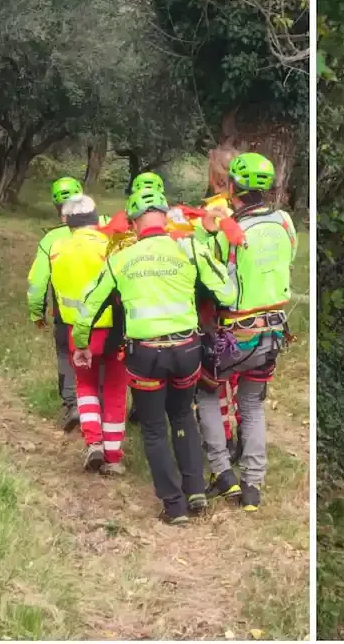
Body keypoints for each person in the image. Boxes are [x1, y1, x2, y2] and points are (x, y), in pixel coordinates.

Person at [73, 184, 237, 525]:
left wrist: (83, 343)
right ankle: (195, 491)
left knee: (153, 429)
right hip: (187, 351)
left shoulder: (119, 259)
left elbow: (88, 306)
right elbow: (227, 290)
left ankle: (174, 506)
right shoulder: (190, 247)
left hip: (146, 354)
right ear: (164, 218)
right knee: (181, 415)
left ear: (133, 224)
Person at [193, 152, 297, 512]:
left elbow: (208, 269)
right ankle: (253, 483)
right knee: (251, 404)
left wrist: (204, 231)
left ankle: (223, 473)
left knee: (206, 391)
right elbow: (289, 258)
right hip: (273, 332)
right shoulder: (285, 222)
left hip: (236, 334)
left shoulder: (231, 230)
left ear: (232, 186)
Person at [48, 194, 132, 475]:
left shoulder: (57, 249)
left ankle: (93, 441)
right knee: (115, 388)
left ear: (66, 221)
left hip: (77, 331)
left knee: (84, 386)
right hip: (113, 328)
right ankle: (113, 454)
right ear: (96, 218)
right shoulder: (111, 245)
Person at [26, 177, 112, 432]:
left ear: (57, 208)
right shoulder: (104, 228)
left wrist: (37, 312)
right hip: (106, 315)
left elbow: (37, 282)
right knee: (105, 362)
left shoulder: (51, 239)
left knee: (66, 356)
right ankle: (102, 410)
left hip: (67, 316)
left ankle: (73, 404)